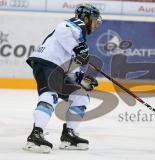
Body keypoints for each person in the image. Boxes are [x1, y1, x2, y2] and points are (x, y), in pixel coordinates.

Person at [23, 4, 102, 153]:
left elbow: (70, 63)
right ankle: (35, 135)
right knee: (50, 95)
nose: (96, 24)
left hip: (58, 69)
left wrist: (79, 78)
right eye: (94, 20)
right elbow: (62, 28)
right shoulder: (77, 25)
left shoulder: (80, 40)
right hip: (46, 63)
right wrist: (78, 49)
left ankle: (69, 136)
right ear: (86, 18)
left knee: (81, 97)